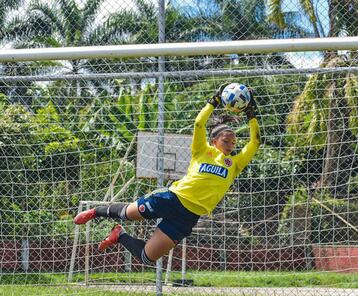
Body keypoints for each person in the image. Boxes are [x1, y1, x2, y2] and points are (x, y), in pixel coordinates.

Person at [74, 85, 261, 266]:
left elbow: (255, 142)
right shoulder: (202, 150)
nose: (230, 144)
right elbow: (198, 123)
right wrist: (214, 100)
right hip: (172, 198)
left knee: (147, 258)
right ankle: (95, 212)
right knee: (127, 214)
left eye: (233, 142)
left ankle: (119, 236)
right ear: (214, 141)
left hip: (188, 217)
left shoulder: (234, 163)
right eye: (226, 140)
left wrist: (251, 114)